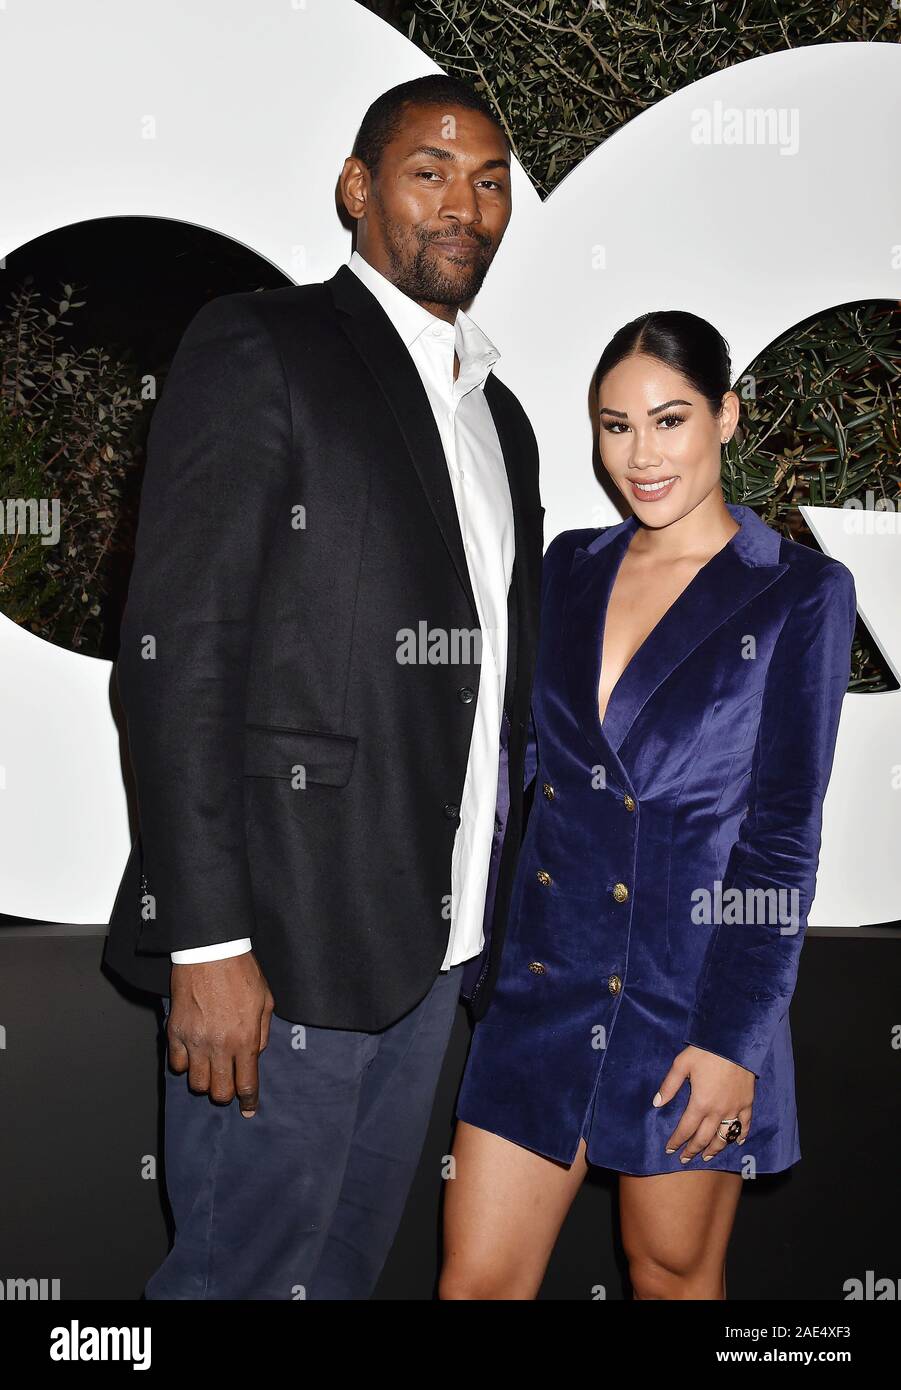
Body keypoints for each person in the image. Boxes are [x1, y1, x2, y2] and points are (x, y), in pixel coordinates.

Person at [103, 73, 544, 1300]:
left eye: (491, 179)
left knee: (335, 1282)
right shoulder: (265, 342)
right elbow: (178, 653)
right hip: (280, 950)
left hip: (437, 954)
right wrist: (210, 941)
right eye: (430, 172)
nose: (467, 203)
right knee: (239, 1283)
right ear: (357, 190)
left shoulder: (501, 421)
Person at [443, 310, 856, 1300]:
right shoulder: (567, 570)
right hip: (543, 987)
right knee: (476, 1281)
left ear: (725, 415)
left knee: (671, 1278)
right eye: (614, 424)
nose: (640, 453)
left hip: (690, 996)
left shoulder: (798, 593)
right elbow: (515, 773)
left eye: (669, 420)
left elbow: (781, 838)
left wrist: (732, 1040)